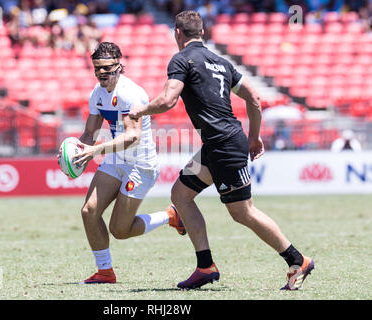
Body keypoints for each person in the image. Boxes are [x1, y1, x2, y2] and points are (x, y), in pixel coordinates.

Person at [129, 10, 314, 290]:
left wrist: (140, 111)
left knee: (243, 212)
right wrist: (254, 137)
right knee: (180, 194)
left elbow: (168, 100)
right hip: (218, 144)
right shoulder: (221, 62)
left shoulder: (181, 59)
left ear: (177, 33)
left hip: (224, 146)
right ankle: (205, 266)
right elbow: (253, 97)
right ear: (202, 33)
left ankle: (297, 260)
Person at [67, 42, 186, 284]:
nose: (102, 73)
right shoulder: (97, 94)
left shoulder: (130, 93)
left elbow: (132, 137)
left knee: (120, 230)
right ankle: (105, 272)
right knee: (89, 211)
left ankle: (170, 216)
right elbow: (89, 134)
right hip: (115, 159)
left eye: (107, 68)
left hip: (139, 165)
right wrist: (75, 155)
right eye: (97, 68)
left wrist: (96, 150)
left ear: (120, 66)